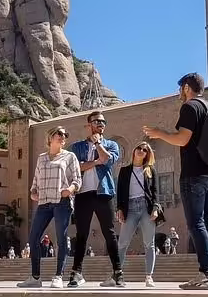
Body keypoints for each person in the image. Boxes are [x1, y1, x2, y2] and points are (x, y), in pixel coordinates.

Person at [143, 73, 208, 290]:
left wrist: (159, 133)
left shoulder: (191, 107)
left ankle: (207, 274)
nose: (179, 92)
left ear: (187, 88)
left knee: (196, 223)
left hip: (195, 174)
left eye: (180, 88)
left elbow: (182, 139)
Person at [18, 126, 81, 289]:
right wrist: (32, 193)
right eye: (59, 134)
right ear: (50, 137)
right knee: (33, 238)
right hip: (44, 203)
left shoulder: (70, 156)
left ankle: (58, 276)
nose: (62, 136)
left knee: (61, 239)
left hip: (62, 202)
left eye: (64, 134)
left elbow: (77, 179)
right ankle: (35, 277)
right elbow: (35, 182)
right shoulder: (41, 158)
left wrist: (71, 190)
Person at [68, 111, 124, 288]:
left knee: (109, 233)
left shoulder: (111, 144)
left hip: (103, 193)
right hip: (83, 194)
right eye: (97, 121)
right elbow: (77, 167)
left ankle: (118, 273)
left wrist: (98, 144)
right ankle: (76, 273)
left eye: (103, 121)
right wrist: (96, 162)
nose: (101, 123)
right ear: (89, 124)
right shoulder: (77, 147)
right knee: (82, 234)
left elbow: (107, 159)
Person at [115, 141, 159, 287]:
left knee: (149, 244)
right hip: (130, 207)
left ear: (147, 154)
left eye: (145, 150)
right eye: (139, 148)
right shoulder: (124, 171)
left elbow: (155, 191)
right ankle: (117, 274)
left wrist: (156, 208)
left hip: (146, 208)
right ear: (134, 151)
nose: (141, 151)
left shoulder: (150, 170)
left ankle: (149, 276)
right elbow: (120, 192)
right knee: (122, 243)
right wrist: (119, 209)